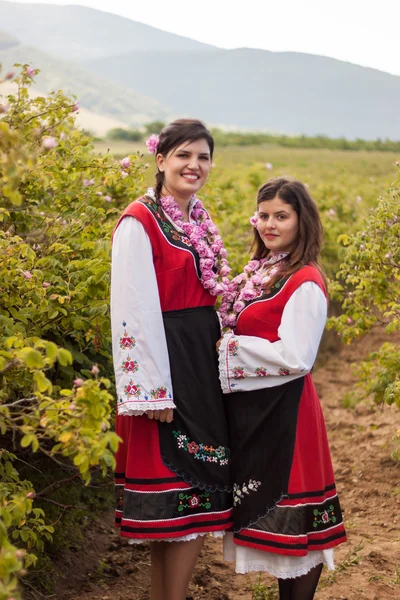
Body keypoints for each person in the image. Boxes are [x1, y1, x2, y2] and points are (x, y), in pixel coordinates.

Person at [111, 119, 232, 600]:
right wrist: (150, 390)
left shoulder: (198, 219)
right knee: (181, 501)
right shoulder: (139, 221)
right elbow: (132, 309)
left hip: (200, 365)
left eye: (203, 157)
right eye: (184, 155)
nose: (194, 165)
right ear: (160, 160)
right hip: (167, 368)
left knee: (185, 510)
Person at [217, 178, 347, 600]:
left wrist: (229, 347)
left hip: (287, 412)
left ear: (301, 220)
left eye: (281, 216)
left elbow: (296, 355)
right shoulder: (266, 269)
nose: (269, 224)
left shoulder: (305, 280)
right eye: (264, 215)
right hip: (260, 410)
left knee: (295, 527)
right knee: (274, 517)